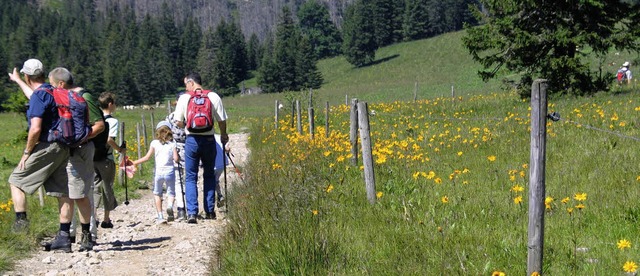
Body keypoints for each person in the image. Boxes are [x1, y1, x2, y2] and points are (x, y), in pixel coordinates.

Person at [6, 59, 72, 252]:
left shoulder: (39, 96)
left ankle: (21, 223)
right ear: (43, 74)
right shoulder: (52, 91)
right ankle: (64, 237)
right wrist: (18, 81)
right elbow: (34, 95)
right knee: (62, 193)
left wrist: (27, 153)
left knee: (16, 180)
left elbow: (35, 129)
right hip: (63, 146)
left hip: (46, 146)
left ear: (28, 76)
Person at [173, 72, 228, 224]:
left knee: (190, 176)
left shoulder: (185, 98)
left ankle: (192, 213)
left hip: (192, 140)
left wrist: (188, 126)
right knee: (209, 174)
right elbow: (222, 120)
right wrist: (224, 135)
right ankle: (209, 211)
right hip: (209, 139)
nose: (186, 88)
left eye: (186, 85)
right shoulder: (213, 96)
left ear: (191, 83)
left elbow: (177, 121)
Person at [131, 121, 179, 224]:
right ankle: (170, 206)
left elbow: (147, 157)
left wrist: (135, 162)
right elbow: (176, 159)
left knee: (157, 193)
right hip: (170, 171)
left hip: (159, 172)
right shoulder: (172, 144)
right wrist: (177, 157)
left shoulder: (154, 143)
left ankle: (160, 215)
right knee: (171, 192)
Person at [95, 92, 124, 228]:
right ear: (110, 104)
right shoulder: (112, 121)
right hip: (106, 158)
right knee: (107, 187)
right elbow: (109, 139)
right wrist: (119, 149)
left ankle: (92, 216)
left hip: (93, 158)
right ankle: (106, 219)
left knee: (94, 187)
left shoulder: (96, 120)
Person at [167, 109, 187, 221]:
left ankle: (181, 209)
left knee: (178, 181)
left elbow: (166, 134)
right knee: (190, 179)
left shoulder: (170, 117)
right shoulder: (190, 114)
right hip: (190, 147)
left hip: (175, 149)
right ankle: (191, 208)